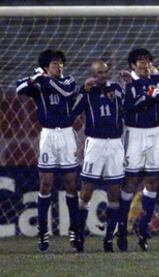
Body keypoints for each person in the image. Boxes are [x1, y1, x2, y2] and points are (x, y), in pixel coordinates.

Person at [16, 49, 80, 252]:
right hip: (48, 136)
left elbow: (67, 92)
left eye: (61, 62)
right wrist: (34, 78)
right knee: (45, 184)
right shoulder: (40, 84)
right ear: (46, 66)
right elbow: (19, 89)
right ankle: (43, 232)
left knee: (71, 183)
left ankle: (74, 230)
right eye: (54, 63)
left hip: (67, 135)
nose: (59, 66)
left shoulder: (68, 81)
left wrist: (43, 78)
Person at [71, 60, 124, 252]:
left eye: (105, 72)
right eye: (98, 72)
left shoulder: (117, 88)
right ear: (92, 73)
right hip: (95, 144)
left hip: (116, 144)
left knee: (114, 192)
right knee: (86, 191)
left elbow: (129, 105)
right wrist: (83, 90)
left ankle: (109, 238)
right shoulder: (88, 91)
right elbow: (73, 112)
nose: (102, 75)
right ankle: (78, 235)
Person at [118, 48, 159, 251]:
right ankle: (121, 229)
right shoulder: (128, 81)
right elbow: (130, 105)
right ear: (132, 65)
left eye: (148, 60)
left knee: (153, 181)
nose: (145, 64)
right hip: (135, 134)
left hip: (155, 133)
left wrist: (154, 92)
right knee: (131, 181)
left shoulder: (157, 80)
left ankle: (143, 227)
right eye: (140, 61)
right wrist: (150, 94)